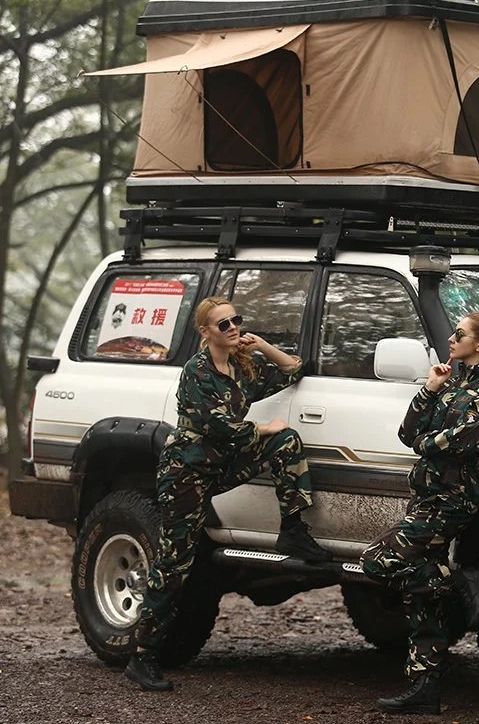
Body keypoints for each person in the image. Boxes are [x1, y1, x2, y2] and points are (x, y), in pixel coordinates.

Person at [125, 296, 330, 691]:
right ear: (205, 332)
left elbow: (295, 369)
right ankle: (143, 655)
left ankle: (293, 530)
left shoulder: (241, 365)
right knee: (175, 565)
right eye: (224, 324)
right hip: (187, 473)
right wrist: (262, 429)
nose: (233, 327)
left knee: (286, 440)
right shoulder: (196, 372)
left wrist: (262, 345)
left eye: (236, 320)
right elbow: (217, 427)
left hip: (222, 464)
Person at [361, 311, 479, 715]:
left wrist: (426, 441)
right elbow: (406, 432)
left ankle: (463, 587)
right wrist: (430, 389)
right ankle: (424, 687)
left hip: (452, 498)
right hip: (427, 496)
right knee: (418, 587)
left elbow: (463, 442)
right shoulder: (453, 382)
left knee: (376, 562)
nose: (451, 338)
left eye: (460, 333)